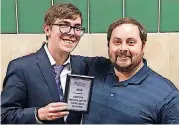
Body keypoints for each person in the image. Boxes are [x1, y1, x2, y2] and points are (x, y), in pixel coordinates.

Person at [82, 17, 179, 124]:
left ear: (143, 45)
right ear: (108, 45)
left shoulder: (167, 95)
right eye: (117, 42)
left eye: (131, 42)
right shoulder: (94, 68)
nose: (123, 48)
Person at [1, 3, 86, 124]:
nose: (72, 33)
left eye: (77, 27)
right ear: (47, 29)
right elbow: (4, 115)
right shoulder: (21, 68)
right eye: (64, 25)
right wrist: (38, 114)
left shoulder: (83, 65)